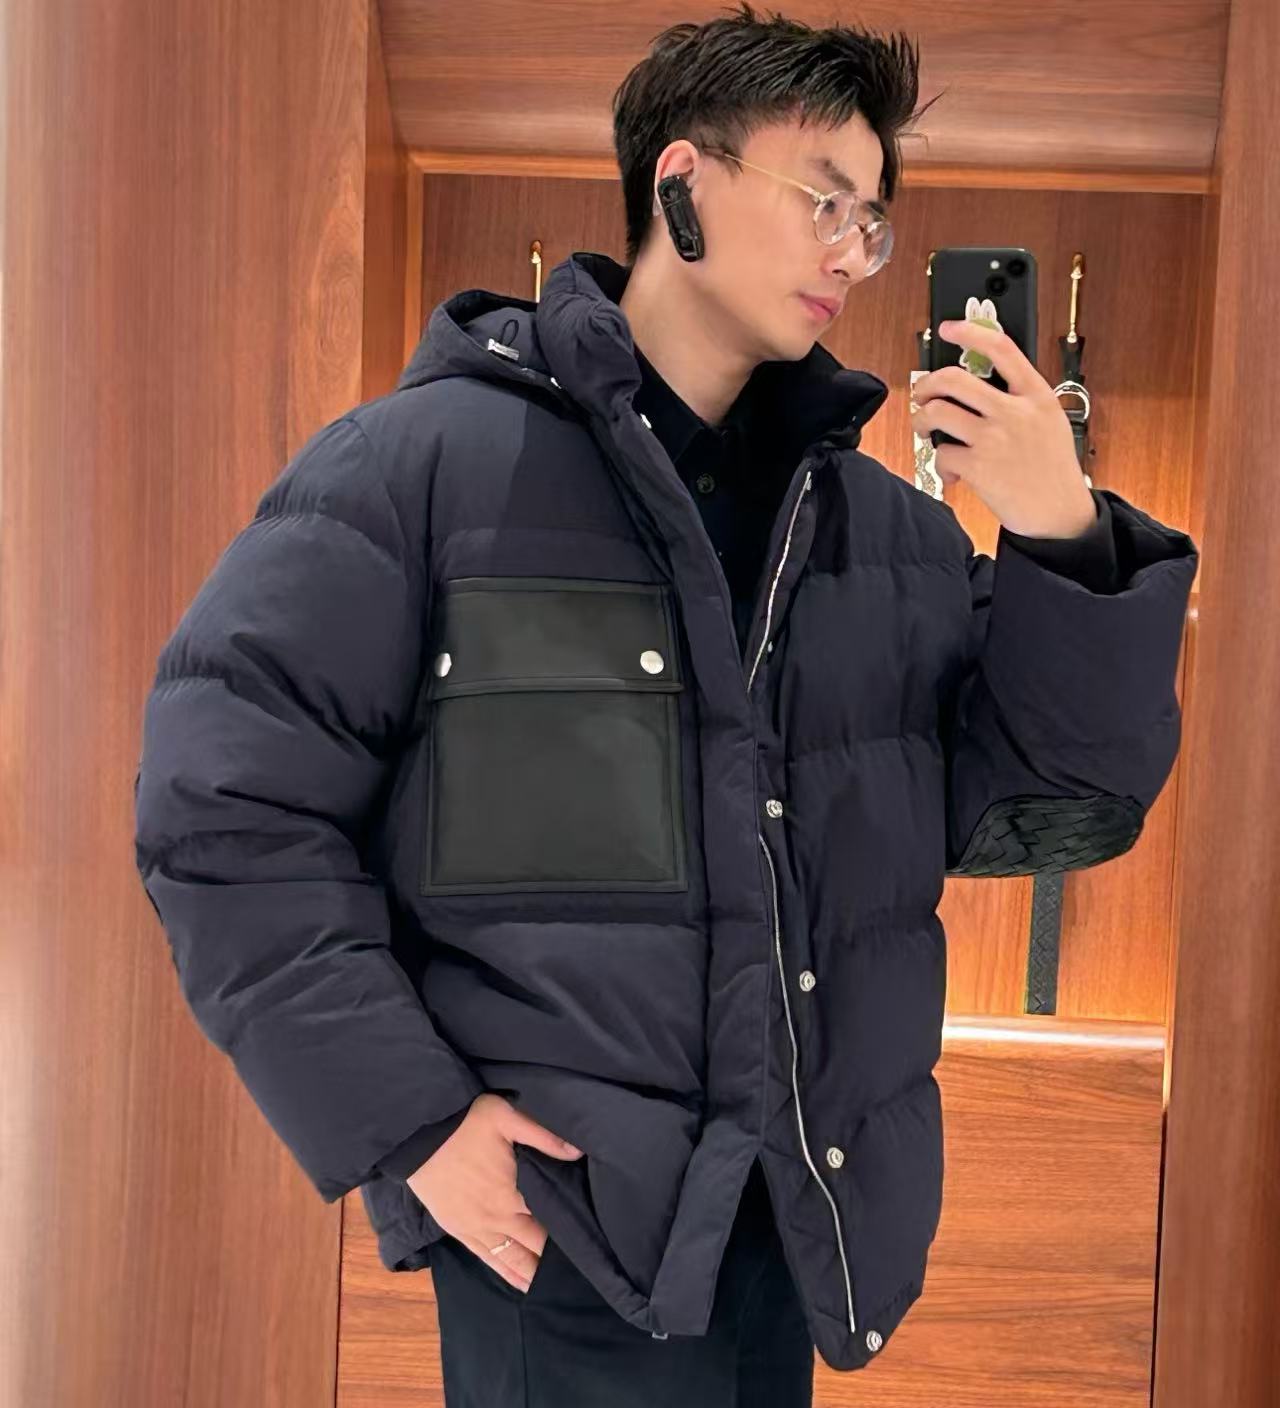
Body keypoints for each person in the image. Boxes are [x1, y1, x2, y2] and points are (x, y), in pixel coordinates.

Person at [132, 4, 1200, 1405]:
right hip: (559, 1234)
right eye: (824, 198)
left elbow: (1063, 807)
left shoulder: (883, 536)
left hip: (794, 1230)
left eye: (873, 221)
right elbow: (223, 810)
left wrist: (1064, 535)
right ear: (682, 183)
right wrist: (409, 1124)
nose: (851, 251)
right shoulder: (422, 472)